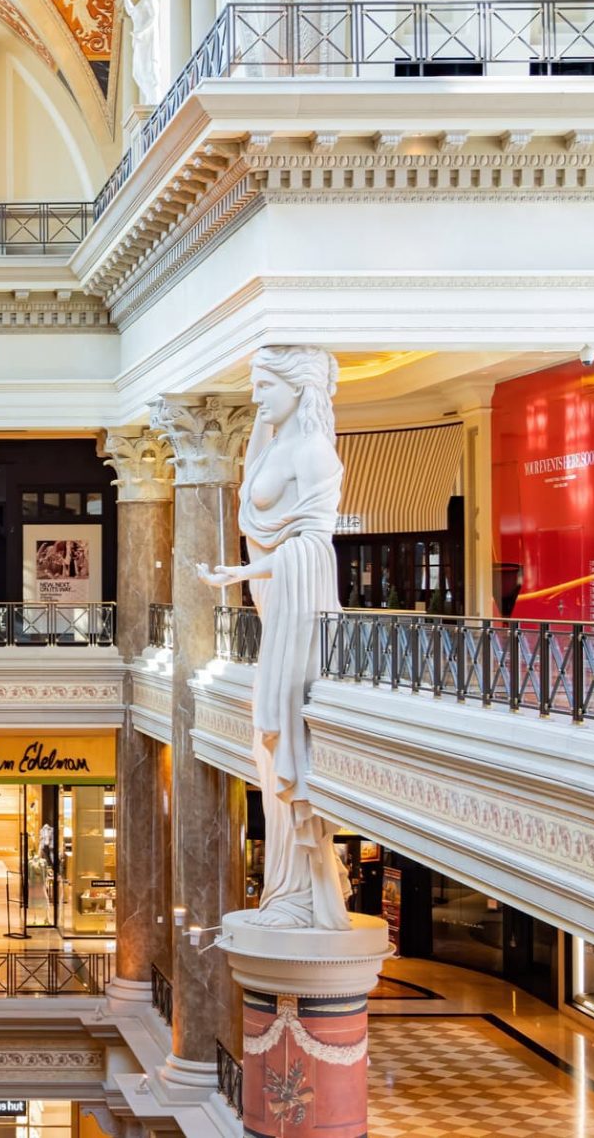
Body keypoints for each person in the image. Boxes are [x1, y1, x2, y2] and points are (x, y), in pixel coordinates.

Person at [197, 344, 351, 932]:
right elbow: (273, 534)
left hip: (297, 616)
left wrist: (246, 572)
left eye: (266, 385)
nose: (256, 396)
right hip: (272, 611)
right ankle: (285, 890)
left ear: (298, 387)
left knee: (285, 741)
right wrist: (241, 574)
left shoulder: (313, 451)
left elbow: (313, 546)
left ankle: (304, 893)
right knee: (268, 755)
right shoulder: (274, 443)